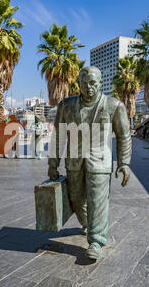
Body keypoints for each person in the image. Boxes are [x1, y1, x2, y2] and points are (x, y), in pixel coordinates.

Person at [48, 66, 132, 261]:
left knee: (97, 201)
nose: (89, 88)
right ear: (79, 84)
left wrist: (124, 162)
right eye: (84, 83)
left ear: (101, 83)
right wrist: (53, 163)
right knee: (76, 199)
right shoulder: (66, 106)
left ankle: (96, 240)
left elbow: (124, 135)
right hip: (74, 160)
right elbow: (59, 135)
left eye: (93, 83)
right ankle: (88, 223)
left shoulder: (114, 106)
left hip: (100, 161)